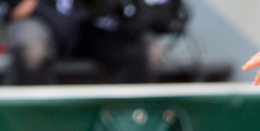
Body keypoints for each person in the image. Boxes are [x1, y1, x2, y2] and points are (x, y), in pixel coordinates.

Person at [1, 0, 151, 85]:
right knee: (32, 51)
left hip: (90, 22)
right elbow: (18, 9)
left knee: (143, 50)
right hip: (41, 17)